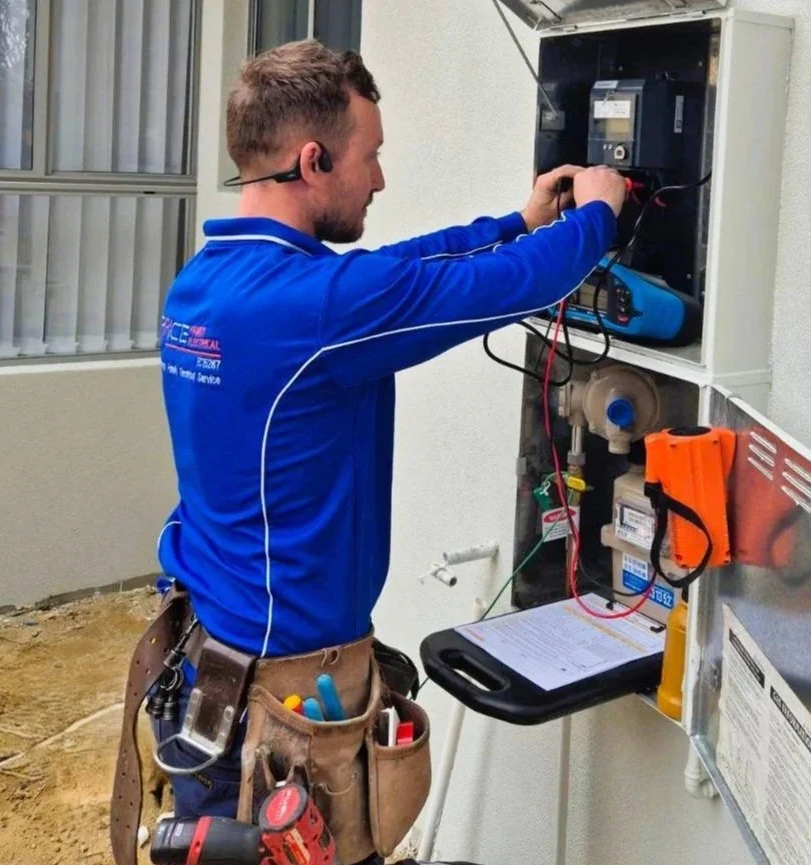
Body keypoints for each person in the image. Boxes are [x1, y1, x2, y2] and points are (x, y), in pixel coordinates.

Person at [146, 38, 625, 865]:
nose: (379, 179)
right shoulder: (313, 311)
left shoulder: (208, 283)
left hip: (211, 664)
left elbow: (391, 269)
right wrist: (598, 215)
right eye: (369, 157)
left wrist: (513, 223)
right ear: (312, 159)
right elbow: (507, 287)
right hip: (277, 705)